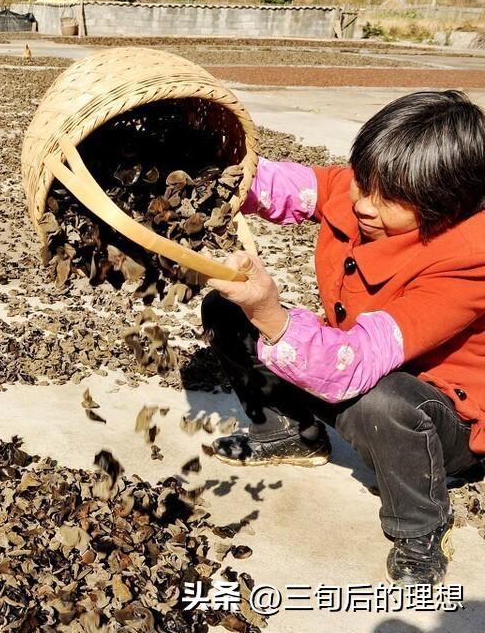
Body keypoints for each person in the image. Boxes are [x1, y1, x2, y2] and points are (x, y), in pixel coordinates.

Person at [204, 90, 485, 585]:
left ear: (447, 206)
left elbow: (355, 364)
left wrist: (271, 313)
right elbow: (278, 184)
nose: (364, 205)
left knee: (380, 401)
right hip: (355, 361)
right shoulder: (361, 192)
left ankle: (420, 527)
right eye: (364, 181)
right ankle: (290, 434)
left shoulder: (468, 259)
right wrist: (205, 170)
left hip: (445, 414)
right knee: (226, 311)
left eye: (391, 199)